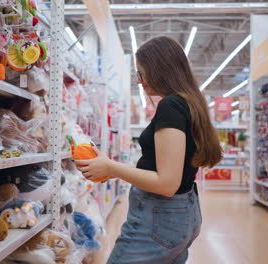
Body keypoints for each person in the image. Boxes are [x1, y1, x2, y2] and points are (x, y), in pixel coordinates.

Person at [74, 36, 223, 264]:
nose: (140, 81)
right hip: (183, 211)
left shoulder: (170, 106)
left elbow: (166, 183)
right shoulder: (190, 103)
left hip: (160, 217)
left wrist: (112, 167)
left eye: (141, 73)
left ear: (159, 70)